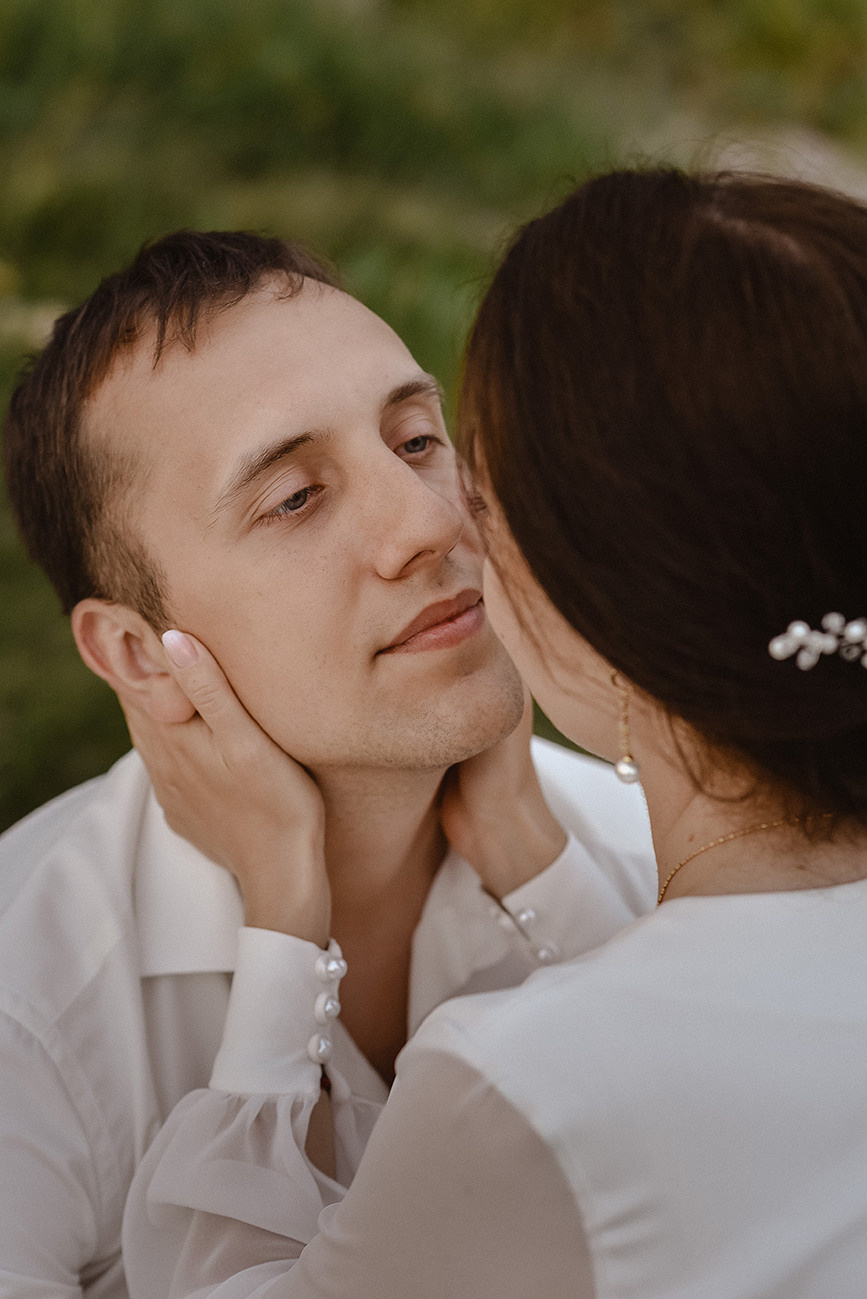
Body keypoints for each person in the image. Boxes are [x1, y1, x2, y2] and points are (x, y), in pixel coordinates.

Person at [122, 167, 867, 1298]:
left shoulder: (522, 1089)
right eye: (298, 496)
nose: (435, 527)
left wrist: (282, 928)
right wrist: (531, 853)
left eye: (447, 456)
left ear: (608, 596)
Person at [0, 229, 655, 1298]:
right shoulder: (29, 1017)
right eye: (296, 497)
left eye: (415, 439)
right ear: (138, 655)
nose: (431, 523)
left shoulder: (647, 850)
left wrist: (535, 862)